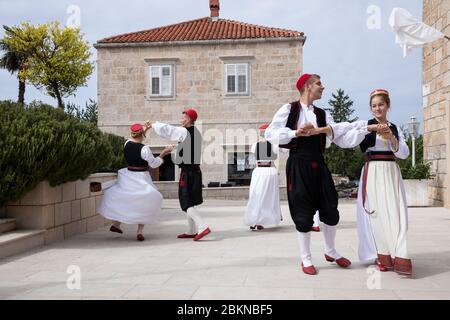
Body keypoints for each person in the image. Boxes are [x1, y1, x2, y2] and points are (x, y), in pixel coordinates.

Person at [265, 73, 368, 275]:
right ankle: (306, 258)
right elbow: (270, 134)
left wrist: (364, 128)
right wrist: (296, 132)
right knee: (302, 209)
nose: (323, 87)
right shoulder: (289, 109)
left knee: (330, 206)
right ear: (307, 86)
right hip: (298, 164)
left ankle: (330, 251)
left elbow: (340, 137)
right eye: (319, 84)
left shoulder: (323, 114)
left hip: (319, 164)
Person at [355, 89, 411, 276]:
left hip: (391, 171)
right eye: (374, 106)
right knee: (376, 212)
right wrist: (370, 129)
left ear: (388, 105)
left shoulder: (395, 127)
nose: (377, 108)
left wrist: (391, 138)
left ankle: (399, 254)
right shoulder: (366, 126)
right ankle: (382, 255)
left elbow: (404, 153)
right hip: (373, 170)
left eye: (380, 104)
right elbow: (353, 137)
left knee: (396, 212)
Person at [96, 123, 173, 241]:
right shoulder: (145, 149)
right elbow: (153, 164)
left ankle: (116, 224)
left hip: (127, 176)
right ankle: (139, 231)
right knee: (144, 202)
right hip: (141, 177)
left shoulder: (126, 143)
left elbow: (137, 139)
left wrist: (145, 130)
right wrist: (163, 153)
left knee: (126, 199)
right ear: (142, 134)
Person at [149, 108, 211, 241]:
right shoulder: (197, 133)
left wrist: (153, 125)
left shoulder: (184, 131)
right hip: (195, 171)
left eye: (183, 118)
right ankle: (191, 230)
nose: (180, 120)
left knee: (186, 202)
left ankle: (202, 226)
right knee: (191, 201)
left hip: (187, 173)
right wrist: (176, 148)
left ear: (189, 119)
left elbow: (169, 130)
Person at [244, 123, 282, 231]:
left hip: (260, 171)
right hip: (270, 171)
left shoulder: (255, 145)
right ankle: (258, 220)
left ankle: (257, 220)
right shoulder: (274, 145)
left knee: (257, 196)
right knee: (267, 198)